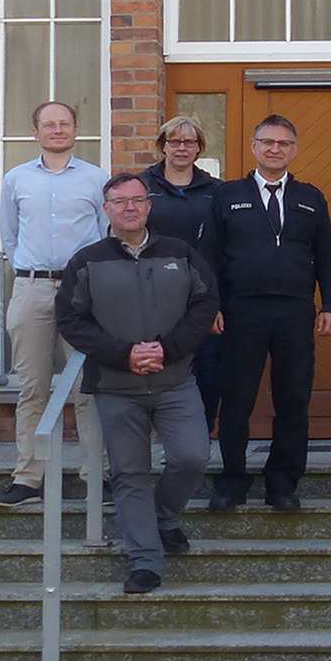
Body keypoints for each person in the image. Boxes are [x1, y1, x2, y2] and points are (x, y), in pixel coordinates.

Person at [55, 174, 218, 595]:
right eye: (119, 201)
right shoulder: (85, 261)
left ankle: (163, 517)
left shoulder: (180, 253)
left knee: (192, 457)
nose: (129, 207)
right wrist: (123, 354)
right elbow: (71, 321)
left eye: (137, 200)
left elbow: (204, 305)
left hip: (175, 380)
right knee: (129, 473)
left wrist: (168, 349)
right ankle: (144, 560)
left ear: (149, 206)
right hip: (115, 385)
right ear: (105, 209)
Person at [205, 114, 331, 512]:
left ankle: (282, 483)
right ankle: (231, 481)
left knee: (294, 398)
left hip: (295, 313)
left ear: (294, 150)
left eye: (283, 143)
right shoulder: (227, 196)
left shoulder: (310, 197)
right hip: (240, 312)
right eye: (268, 142)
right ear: (253, 146)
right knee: (236, 399)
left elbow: (327, 259)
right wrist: (211, 305)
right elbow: (208, 257)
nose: (275, 149)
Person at [0, 101, 108, 507]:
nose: (57, 130)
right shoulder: (15, 179)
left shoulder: (97, 179)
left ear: (76, 130)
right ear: (36, 131)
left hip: (83, 292)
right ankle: (28, 477)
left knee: (89, 387)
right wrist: (32, 273)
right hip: (32, 289)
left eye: (65, 123)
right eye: (49, 124)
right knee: (32, 387)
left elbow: (104, 234)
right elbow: (9, 236)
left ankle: (97, 473)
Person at [141, 115, 224, 433]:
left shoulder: (216, 192)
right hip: (152, 298)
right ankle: (157, 446)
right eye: (174, 141)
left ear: (200, 148)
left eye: (189, 142)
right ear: (162, 146)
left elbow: (221, 251)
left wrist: (217, 303)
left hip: (201, 299)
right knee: (156, 370)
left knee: (207, 372)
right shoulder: (143, 187)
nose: (181, 147)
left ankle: (197, 446)